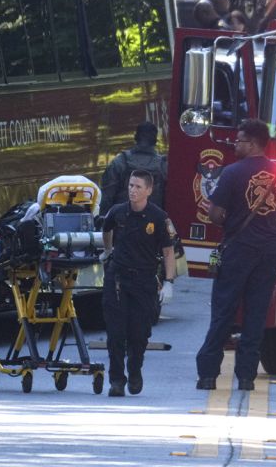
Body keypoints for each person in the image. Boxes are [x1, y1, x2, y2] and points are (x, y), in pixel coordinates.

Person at [195, 118, 276, 392]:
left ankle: (208, 374)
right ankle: (246, 377)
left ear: (252, 143)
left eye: (239, 140)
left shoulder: (232, 173)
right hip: (269, 253)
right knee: (256, 315)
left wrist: (224, 218)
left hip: (238, 249)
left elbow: (215, 214)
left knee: (224, 311)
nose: (235, 144)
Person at [101, 169, 177, 397]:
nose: (133, 191)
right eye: (131, 186)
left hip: (144, 280)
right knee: (115, 333)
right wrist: (107, 252)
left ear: (149, 190)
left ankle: (134, 371)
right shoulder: (118, 212)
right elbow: (106, 230)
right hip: (117, 278)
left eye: (138, 187)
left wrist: (169, 282)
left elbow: (168, 252)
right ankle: (116, 380)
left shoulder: (158, 218)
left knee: (139, 333)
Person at [100, 122, 167, 213]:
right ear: (155, 140)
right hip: (153, 223)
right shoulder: (164, 165)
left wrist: (104, 222)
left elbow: (107, 197)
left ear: (135, 137)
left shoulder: (120, 162)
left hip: (122, 222)